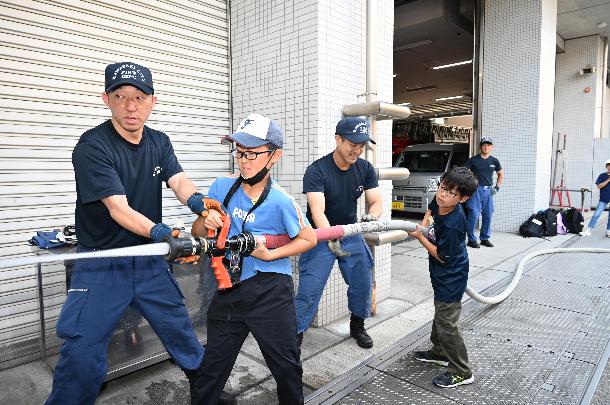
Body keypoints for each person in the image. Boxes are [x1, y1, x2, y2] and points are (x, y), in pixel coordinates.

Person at [45, 62, 234, 405]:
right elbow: (118, 209)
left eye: (139, 97)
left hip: (148, 261)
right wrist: (164, 233)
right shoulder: (92, 147)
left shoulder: (159, 142)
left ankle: (208, 393)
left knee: (180, 330)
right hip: (103, 264)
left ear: (152, 101)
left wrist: (200, 205)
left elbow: (178, 180)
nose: (130, 106)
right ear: (107, 99)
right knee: (83, 352)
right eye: (121, 96)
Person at [190, 113, 317, 405]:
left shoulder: (281, 201)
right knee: (211, 370)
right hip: (229, 290)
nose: (243, 160)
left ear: (275, 156)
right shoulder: (221, 188)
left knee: (286, 368)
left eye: (252, 153)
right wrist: (204, 222)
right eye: (239, 152)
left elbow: (308, 239)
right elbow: (199, 232)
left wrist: (270, 252)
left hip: (271, 291)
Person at [294, 117, 382, 349]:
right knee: (309, 289)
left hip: (351, 232)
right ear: (338, 140)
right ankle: (296, 332)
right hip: (320, 235)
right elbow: (317, 211)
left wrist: (372, 216)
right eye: (352, 144)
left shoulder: (365, 168)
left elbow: (375, 202)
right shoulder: (317, 170)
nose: (357, 150)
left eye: (362, 145)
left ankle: (357, 325)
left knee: (362, 281)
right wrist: (329, 235)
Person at [407, 166, 478, 388]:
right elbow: (430, 209)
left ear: (463, 198)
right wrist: (425, 226)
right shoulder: (440, 201)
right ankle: (439, 352)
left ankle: (462, 370)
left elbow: (442, 256)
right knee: (441, 313)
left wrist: (420, 236)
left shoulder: (455, 224)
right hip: (441, 275)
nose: (443, 194)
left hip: (451, 275)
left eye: (451, 193)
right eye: (443, 187)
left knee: (447, 321)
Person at [463, 137, 504, 248]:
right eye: (484, 145)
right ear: (480, 147)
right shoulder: (473, 160)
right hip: (476, 190)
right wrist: (469, 185)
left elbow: (501, 174)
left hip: (488, 191)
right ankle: (471, 240)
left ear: (491, 147)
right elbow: (463, 173)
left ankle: (484, 238)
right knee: (473, 215)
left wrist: (497, 187)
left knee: (488, 214)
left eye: (488, 145)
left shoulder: (494, 161)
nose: (486, 147)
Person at [580, 159, 610, 237]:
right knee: (596, 214)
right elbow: (599, 186)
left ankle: (608, 231)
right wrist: (608, 180)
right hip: (604, 198)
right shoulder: (602, 175)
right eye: (608, 165)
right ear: (606, 166)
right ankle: (588, 230)